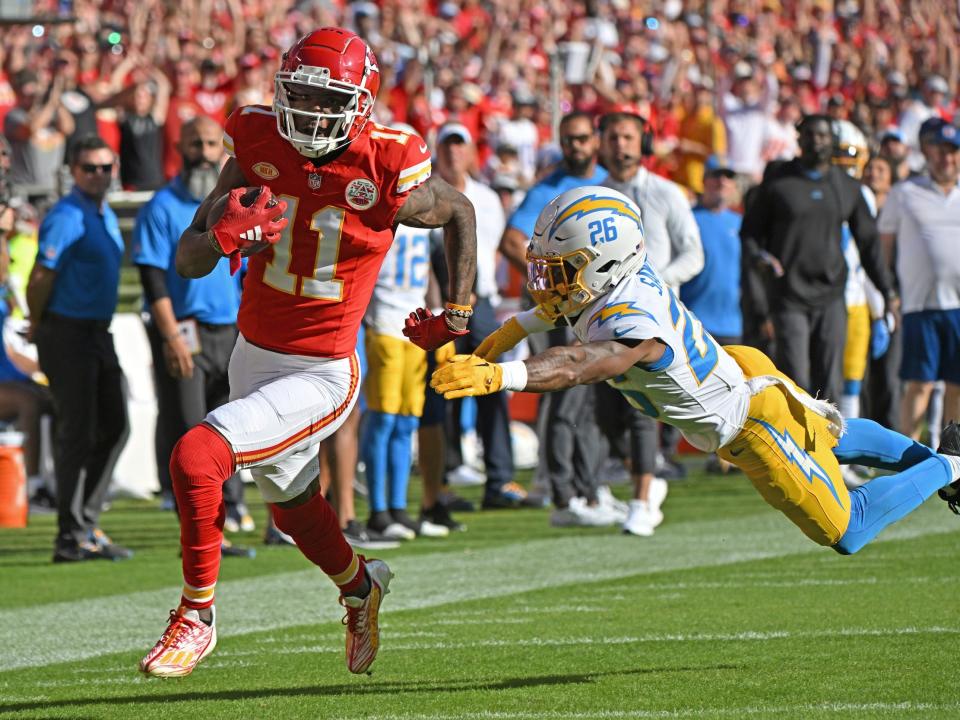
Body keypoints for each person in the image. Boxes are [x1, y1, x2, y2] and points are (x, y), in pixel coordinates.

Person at [139, 28, 477, 679]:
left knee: (196, 455)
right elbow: (187, 255)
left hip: (322, 370)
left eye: (328, 101)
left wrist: (456, 313)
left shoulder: (385, 161)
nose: (312, 113)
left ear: (362, 102)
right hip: (252, 354)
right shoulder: (258, 139)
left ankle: (196, 615)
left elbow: (459, 209)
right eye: (300, 95)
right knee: (295, 510)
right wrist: (219, 236)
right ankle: (360, 588)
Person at [432, 186, 960, 560]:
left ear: (602, 263)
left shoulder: (628, 316)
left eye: (560, 268)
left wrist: (501, 377)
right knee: (829, 437)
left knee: (849, 528)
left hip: (751, 426)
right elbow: (539, 315)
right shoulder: (610, 279)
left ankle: (950, 466)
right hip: (742, 374)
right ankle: (942, 458)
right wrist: (491, 345)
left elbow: (584, 363)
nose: (547, 280)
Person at [132, 116, 255, 559]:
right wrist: (171, 337)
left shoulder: (235, 199)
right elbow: (153, 279)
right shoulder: (162, 206)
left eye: (209, 143)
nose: (203, 151)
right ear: (179, 147)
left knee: (230, 430)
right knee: (191, 430)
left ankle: (231, 514)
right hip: (187, 330)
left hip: (230, 328)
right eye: (194, 143)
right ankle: (203, 534)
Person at [498, 110, 618, 527]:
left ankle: (589, 486)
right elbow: (513, 242)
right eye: (569, 140)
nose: (576, 147)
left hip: (600, 310)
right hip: (562, 314)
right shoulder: (549, 188)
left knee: (589, 401)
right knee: (566, 398)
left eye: (583, 138)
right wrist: (555, 288)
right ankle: (562, 493)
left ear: (595, 139)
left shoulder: (607, 180)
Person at [740, 114, 898, 405]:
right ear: (799, 139)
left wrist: (886, 291)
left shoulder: (846, 187)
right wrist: (759, 258)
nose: (817, 141)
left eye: (823, 135)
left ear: (833, 141)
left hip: (831, 295)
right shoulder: (778, 180)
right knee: (795, 377)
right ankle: (795, 447)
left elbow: (869, 244)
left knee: (830, 382)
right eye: (810, 135)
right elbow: (750, 233)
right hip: (788, 295)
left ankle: (829, 448)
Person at [598, 107, 703, 536]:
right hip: (603, 317)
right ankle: (649, 476)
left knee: (642, 411)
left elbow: (693, 254)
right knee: (607, 414)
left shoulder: (665, 192)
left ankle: (641, 499)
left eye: (628, 137)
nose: (621, 145)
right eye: (613, 137)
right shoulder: (595, 194)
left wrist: (658, 282)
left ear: (643, 143)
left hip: (653, 319)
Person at [26, 134, 131, 563]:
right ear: (72, 170)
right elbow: (40, 276)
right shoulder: (67, 215)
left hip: (96, 331)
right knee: (77, 432)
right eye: (90, 168)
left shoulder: (101, 212)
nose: (99, 175)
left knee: (115, 425)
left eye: (106, 168)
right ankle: (70, 534)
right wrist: (39, 323)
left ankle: (85, 520)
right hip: (67, 330)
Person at [878, 117, 960, 441]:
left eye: (953, 152)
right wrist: (888, 293)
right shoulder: (905, 193)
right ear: (927, 153)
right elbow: (885, 248)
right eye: (940, 152)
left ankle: (954, 459)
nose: (947, 159)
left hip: (959, 305)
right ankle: (908, 459)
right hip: (920, 303)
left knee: (957, 386)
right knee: (919, 384)